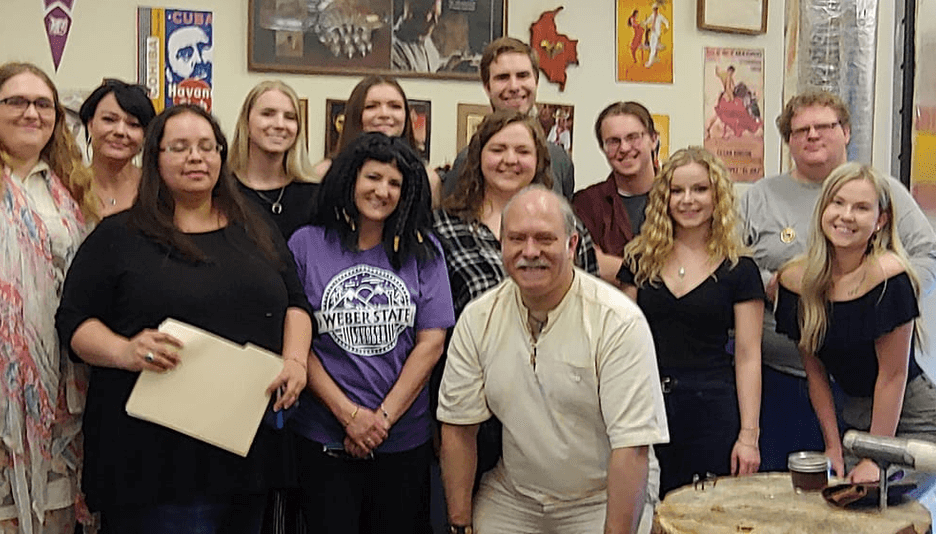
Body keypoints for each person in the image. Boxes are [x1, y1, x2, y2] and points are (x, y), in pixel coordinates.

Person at [56, 104, 312, 533]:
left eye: (206, 147)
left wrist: (296, 361)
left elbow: (295, 303)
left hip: (244, 452)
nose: (196, 157)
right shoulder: (118, 236)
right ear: (154, 158)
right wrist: (123, 350)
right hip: (152, 461)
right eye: (179, 148)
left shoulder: (256, 228)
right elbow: (74, 322)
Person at [438, 186, 668, 534]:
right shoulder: (478, 318)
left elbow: (632, 450)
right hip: (515, 496)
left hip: (601, 496)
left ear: (572, 245)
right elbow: (458, 428)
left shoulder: (618, 321)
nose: (530, 252)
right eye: (516, 239)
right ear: (501, 244)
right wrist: (459, 525)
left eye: (545, 239)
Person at [739, 90, 936, 471]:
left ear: (846, 131)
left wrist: (875, 304)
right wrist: (775, 285)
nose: (812, 135)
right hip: (785, 382)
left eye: (823, 126)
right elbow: (735, 264)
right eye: (801, 129)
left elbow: (930, 257)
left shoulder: (884, 195)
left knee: (870, 507)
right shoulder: (762, 199)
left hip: (876, 389)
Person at [0, 62, 97, 533]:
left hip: (58, 389)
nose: (31, 112)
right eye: (16, 101)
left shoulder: (74, 189)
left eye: (43, 104)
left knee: (53, 519)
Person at [288, 132, 455, 533]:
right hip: (323, 435)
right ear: (350, 179)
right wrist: (349, 418)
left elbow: (431, 344)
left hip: (402, 439)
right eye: (373, 178)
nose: (382, 190)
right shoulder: (306, 244)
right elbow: (296, 341)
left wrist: (379, 420)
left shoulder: (424, 249)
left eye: (394, 183)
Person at [775, 162, 936, 509]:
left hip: (920, 425)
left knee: (868, 510)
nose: (847, 216)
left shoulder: (889, 277)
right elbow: (815, 374)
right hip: (859, 426)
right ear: (822, 210)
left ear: (880, 221)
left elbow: (893, 376)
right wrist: (832, 445)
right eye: (838, 203)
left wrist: (876, 457)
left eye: (861, 208)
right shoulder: (794, 281)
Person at [617, 147, 763, 497]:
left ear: (718, 196)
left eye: (699, 189)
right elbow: (619, 347)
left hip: (713, 412)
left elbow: (747, 356)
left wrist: (749, 436)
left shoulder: (739, 269)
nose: (688, 200)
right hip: (648, 410)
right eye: (677, 191)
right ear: (663, 199)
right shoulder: (639, 261)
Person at [436, 109, 599, 318]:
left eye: (523, 151)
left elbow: (592, 306)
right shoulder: (444, 228)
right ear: (478, 157)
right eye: (498, 150)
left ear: (538, 160)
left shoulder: (568, 225)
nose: (510, 159)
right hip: (474, 349)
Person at [441, 37, 575, 198]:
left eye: (522, 75)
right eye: (503, 77)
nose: (514, 87)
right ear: (487, 87)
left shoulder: (559, 159)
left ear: (536, 82)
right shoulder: (466, 161)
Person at [572, 101, 660, 284]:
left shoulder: (680, 197)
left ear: (654, 139)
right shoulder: (587, 204)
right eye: (613, 141)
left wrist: (620, 271)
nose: (624, 148)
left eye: (633, 137)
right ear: (602, 148)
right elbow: (589, 268)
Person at [315, 75, 441, 202]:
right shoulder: (323, 173)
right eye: (371, 106)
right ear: (355, 115)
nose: (384, 114)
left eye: (394, 106)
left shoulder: (429, 179)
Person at [228, 80, 320, 238]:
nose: (280, 124)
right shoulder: (223, 192)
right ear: (246, 123)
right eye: (268, 114)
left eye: (290, 117)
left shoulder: (315, 196)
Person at [80, 78, 156, 216]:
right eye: (109, 120)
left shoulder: (158, 189)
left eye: (133, 125)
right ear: (90, 125)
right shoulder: (69, 187)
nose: (120, 131)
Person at [392, 0, 445, 72]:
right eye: (430, 13)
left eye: (438, 16)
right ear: (411, 11)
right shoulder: (394, 50)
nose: (435, 22)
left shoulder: (427, 42)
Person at [642, 3, 669, 68]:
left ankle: (650, 62)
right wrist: (644, 22)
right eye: (654, 9)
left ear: (657, 9)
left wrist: (667, 26)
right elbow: (648, 20)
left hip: (656, 33)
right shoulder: (652, 16)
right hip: (653, 32)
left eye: (656, 9)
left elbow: (665, 21)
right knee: (654, 46)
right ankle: (654, 58)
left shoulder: (660, 16)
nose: (655, 10)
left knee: (653, 46)